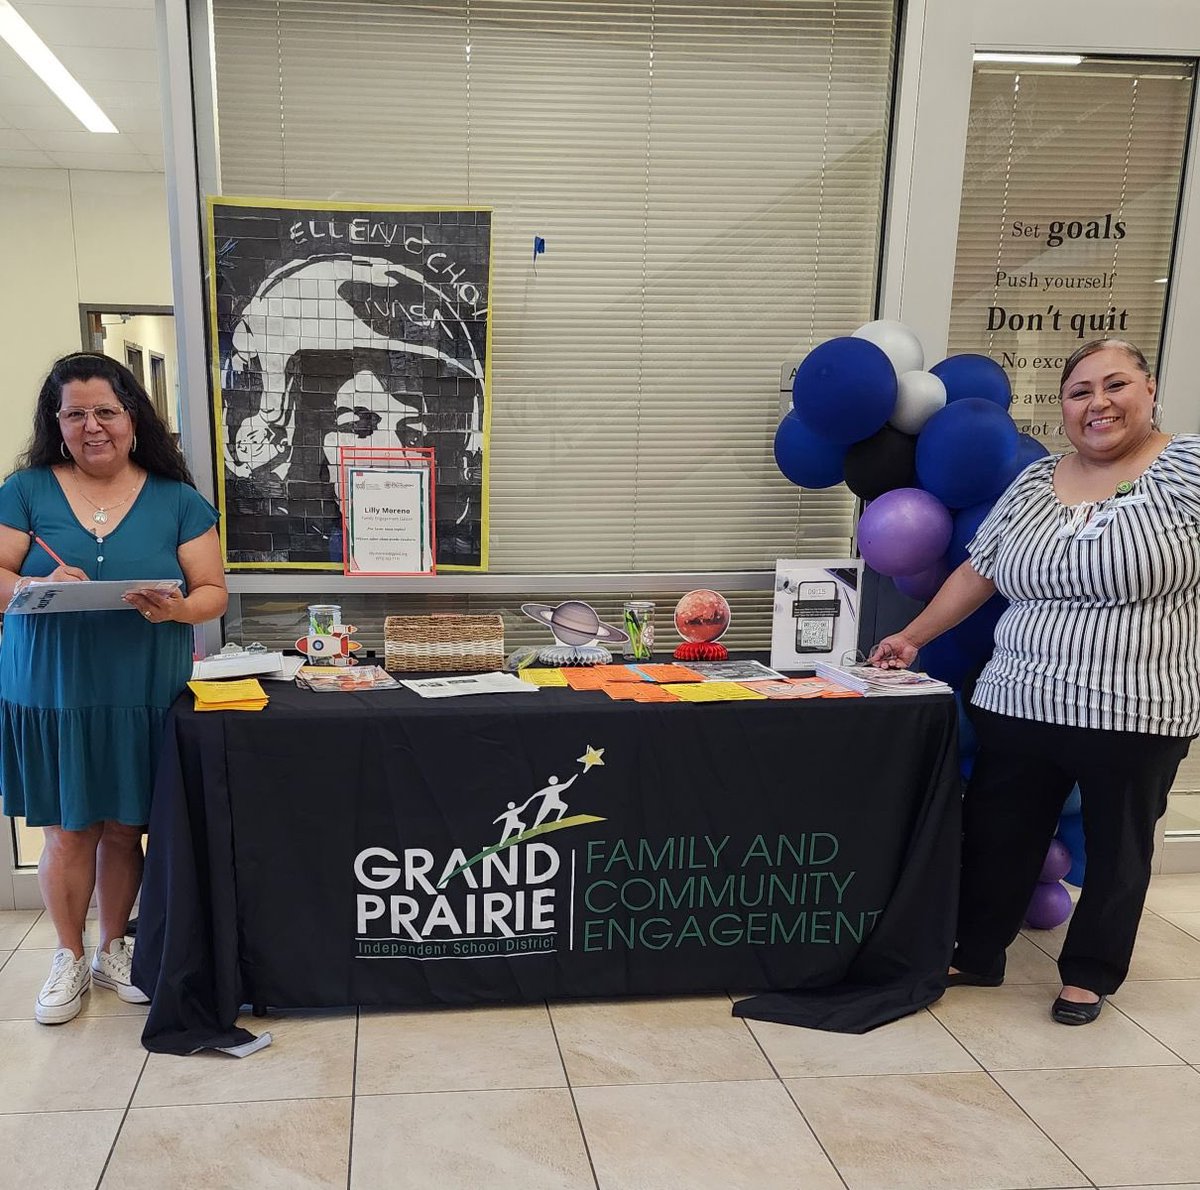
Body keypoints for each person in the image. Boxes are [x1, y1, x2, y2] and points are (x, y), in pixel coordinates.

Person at [871, 338, 1199, 1025]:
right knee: (999, 834)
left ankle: (1089, 973)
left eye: (1115, 385)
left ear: (1150, 389)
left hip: (1137, 709)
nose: (1098, 403)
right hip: (1020, 697)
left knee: (1119, 849)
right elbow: (977, 570)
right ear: (1064, 408)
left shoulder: (1187, 469)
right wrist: (912, 636)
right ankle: (978, 952)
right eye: (1080, 392)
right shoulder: (1035, 481)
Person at [0, 353, 227, 1025]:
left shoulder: (177, 499)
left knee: (126, 829)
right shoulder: (26, 491)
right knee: (68, 830)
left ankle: (113, 946)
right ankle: (68, 955)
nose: (92, 426)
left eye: (106, 411)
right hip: (52, 688)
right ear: (56, 422)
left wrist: (177, 608)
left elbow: (212, 592)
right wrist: (34, 588)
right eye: (75, 414)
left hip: (143, 687)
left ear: (132, 417)